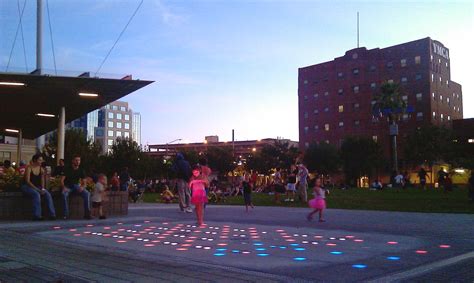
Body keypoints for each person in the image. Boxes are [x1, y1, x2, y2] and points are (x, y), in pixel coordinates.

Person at [20, 154, 57, 221]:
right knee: (36, 194)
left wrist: (42, 188)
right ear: (35, 160)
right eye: (39, 160)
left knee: (47, 194)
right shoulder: (29, 168)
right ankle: (37, 215)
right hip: (27, 186)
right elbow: (27, 181)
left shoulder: (41, 169)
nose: (41, 161)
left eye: (41, 160)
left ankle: (52, 214)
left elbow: (42, 180)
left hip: (37, 187)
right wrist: (37, 190)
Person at [61, 155, 92, 220]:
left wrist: (82, 187)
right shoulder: (67, 169)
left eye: (79, 160)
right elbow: (62, 180)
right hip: (68, 187)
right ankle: (65, 215)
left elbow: (84, 182)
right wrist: (64, 187)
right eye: (76, 160)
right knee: (64, 194)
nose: (78, 162)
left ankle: (87, 214)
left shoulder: (81, 170)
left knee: (87, 194)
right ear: (73, 161)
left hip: (76, 187)